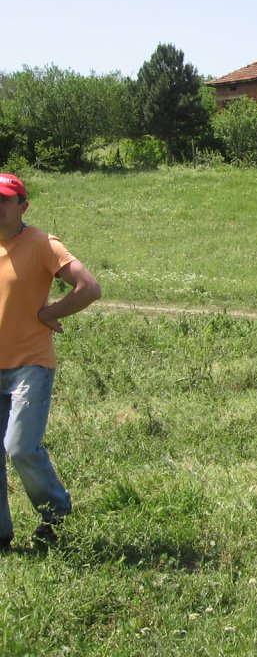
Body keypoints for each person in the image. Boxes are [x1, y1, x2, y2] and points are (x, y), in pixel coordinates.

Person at [0, 173, 101, 550]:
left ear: (22, 206)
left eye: (5, 200)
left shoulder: (42, 243)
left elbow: (89, 287)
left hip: (30, 364)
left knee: (20, 448)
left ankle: (57, 516)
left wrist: (49, 313)